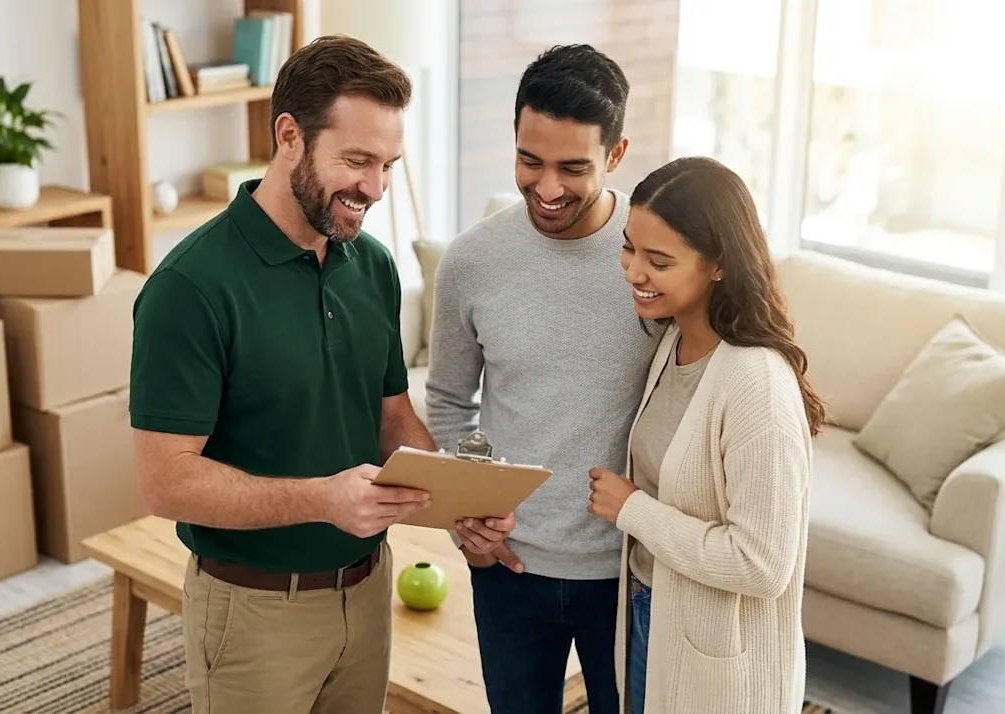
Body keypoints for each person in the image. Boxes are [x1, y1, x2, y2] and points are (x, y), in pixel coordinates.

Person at [128, 36, 490, 714]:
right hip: (252, 614)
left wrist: (458, 503)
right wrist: (321, 500)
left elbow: (391, 420)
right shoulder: (190, 288)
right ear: (289, 135)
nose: (375, 189)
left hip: (367, 592)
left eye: (387, 165)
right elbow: (164, 480)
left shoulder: (373, 266)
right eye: (357, 161)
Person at [424, 44, 662, 714]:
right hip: (509, 568)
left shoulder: (654, 260)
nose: (548, 187)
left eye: (572, 167)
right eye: (531, 161)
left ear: (616, 155)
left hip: (628, 571)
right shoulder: (471, 262)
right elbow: (447, 401)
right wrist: (465, 513)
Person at [586, 156, 826, 714]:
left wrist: (633, 510)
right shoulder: (672, 343)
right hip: (652, 611)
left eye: (659, 260)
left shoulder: (756, 382)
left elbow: (763, 564)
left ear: (718, 264)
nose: (633, 272)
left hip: (720, 667)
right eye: (630, 249)